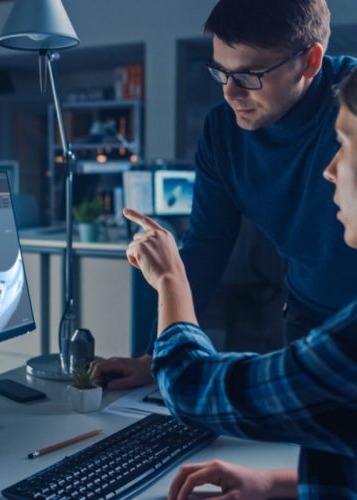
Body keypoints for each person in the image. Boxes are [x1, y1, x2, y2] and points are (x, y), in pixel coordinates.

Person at [92, 0, 357, 391]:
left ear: (310, 62)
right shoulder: (223, 132)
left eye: (250, 74)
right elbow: (206, 246)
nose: (231, 93)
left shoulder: (352, 108)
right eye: (221, 72)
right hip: (307, 316)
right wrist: (155, 354)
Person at [123, 66, 357, 499]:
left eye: (343, 144)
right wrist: (272, 483)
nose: (329, 171)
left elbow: (191, 389)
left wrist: (170, 278)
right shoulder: (222, 132)